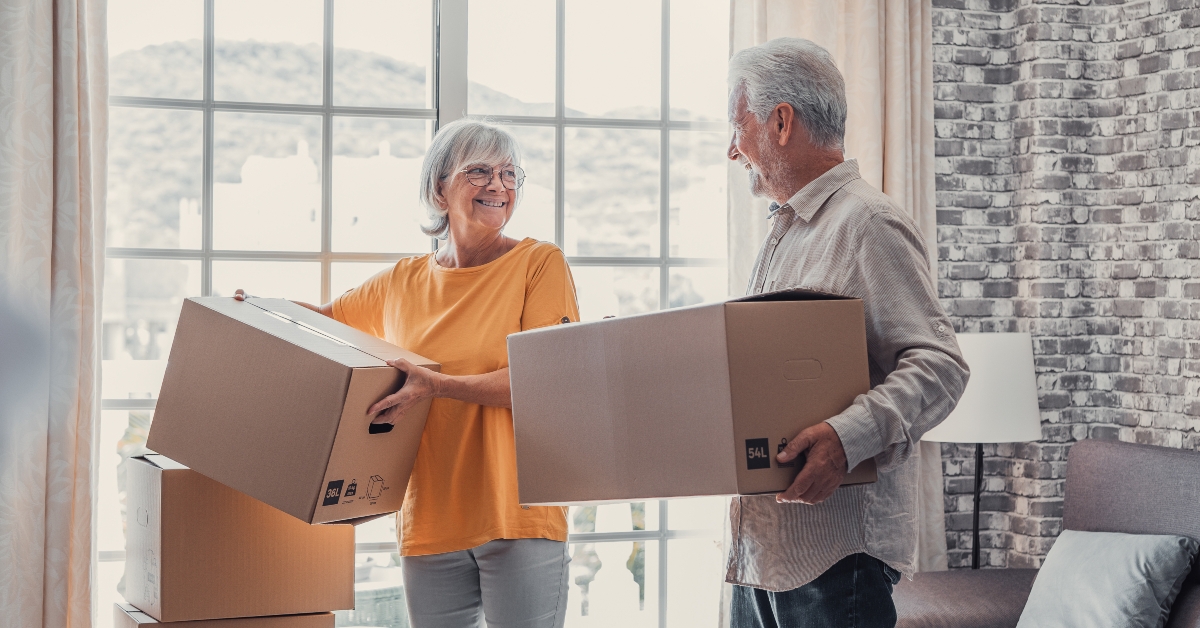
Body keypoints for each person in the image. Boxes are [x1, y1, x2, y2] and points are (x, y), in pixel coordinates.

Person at [236, 119, 579, 628]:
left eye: (510, 174)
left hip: (517, 517)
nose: (498, 187)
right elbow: (323, 323)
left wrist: (437, 385)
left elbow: (544, 383)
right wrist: (255, 310)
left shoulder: (538, 264)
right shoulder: (402, 281)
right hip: (429, 522)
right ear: (439, 188)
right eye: (479, 172)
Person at [723, 38, 971, 627]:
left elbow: (940, 366)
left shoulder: (868, 224)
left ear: (781, 122)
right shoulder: (787, 230)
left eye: (739, 127)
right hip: (762, 554)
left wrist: (845, 437)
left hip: (836, 565)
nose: (733, 151)